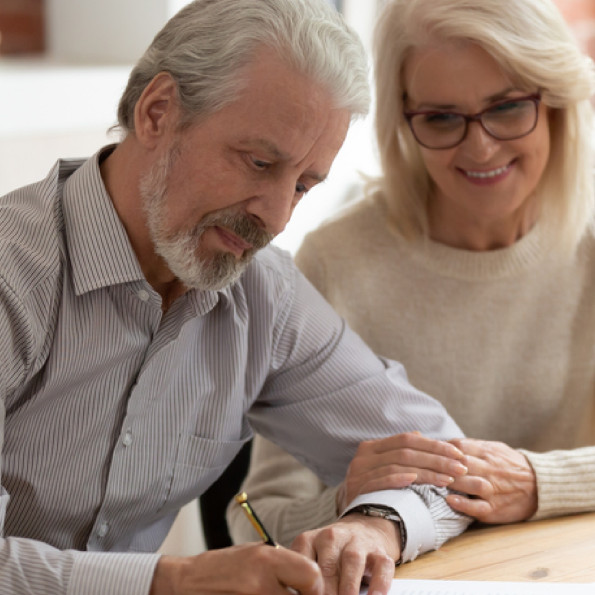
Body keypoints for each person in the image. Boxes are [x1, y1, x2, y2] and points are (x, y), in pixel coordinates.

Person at [0, 0, 473, 594]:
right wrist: (170, 583)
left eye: (303, 184)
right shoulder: (13, 275)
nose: (275, 217)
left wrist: (377, 526)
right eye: (258, 162)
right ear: (157, 112)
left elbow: (450, 465)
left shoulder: (263, 294)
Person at [227, 0, 595, 550]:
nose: (481, 146)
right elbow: (256, 521)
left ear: (558, 100)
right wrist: (349, 504)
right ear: (402, 120)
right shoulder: (337, 260)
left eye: (508, 108)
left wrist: (538, 483)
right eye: (442, 118)